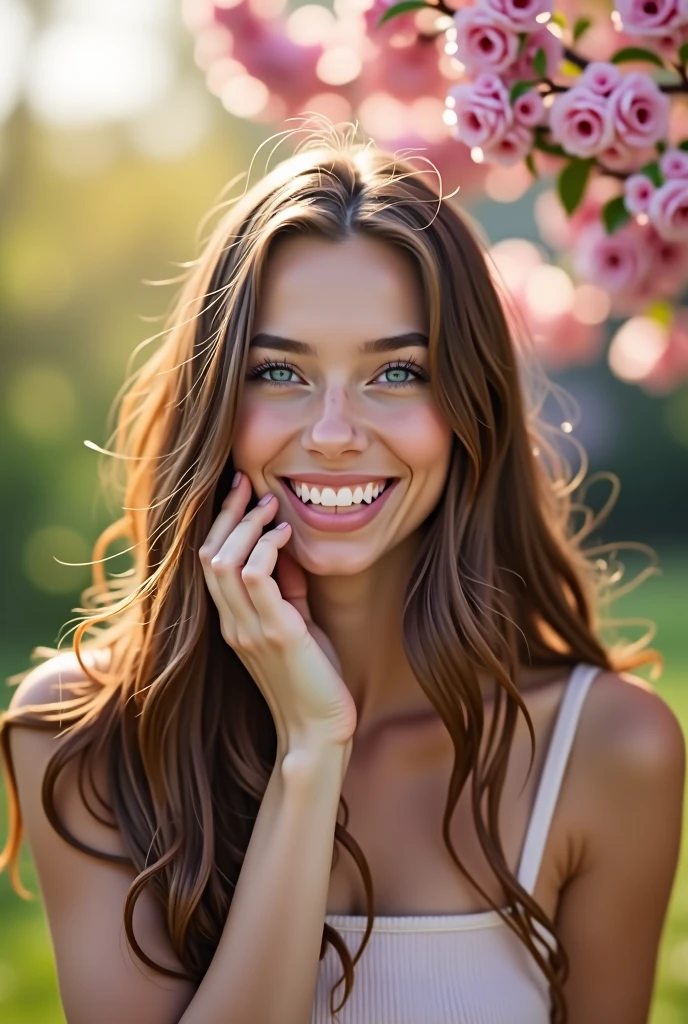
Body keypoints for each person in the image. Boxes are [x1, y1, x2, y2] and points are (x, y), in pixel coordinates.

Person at [0, 123, 685, 1024]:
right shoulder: (81, 738)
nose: (331, 432)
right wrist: (310, 753)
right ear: (215, 401)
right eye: (278, 370)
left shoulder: (606, 750)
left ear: (467, 405)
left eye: (397, 371)